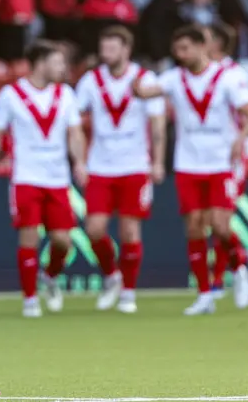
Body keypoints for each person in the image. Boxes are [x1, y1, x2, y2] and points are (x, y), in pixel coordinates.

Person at [133, 25, 248, 315]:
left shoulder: (226, 78)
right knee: (194, 228)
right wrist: (134, 85)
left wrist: (241, 138)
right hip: (188, 163)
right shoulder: (174, 78)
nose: (180, 55)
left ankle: (240, 265)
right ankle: (204, 294)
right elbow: (145, 93)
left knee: (220, 224)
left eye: (186, 48)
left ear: (203, 47)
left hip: (220, 162)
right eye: (177, 49)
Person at [0, 40, 87, 318]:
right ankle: (30, 300)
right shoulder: (11, 94)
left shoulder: (66, 94)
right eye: (58, 62)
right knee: (28, 236)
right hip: (26, 176)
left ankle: (50, 276)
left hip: (57, 177)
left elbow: (75, 132)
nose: (63, 68)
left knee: (62, 241)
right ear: (40, 63)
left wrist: (80, 163)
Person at [75, 25, 166, 313]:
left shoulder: (144, 79)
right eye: (104, 48)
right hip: (100, 166)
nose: (107, 54)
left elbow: (158, 123)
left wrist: (158, 160)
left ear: (126, 49)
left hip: (135, 165)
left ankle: (128, 291)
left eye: (113, 48)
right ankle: (112, 275)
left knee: (130, 232)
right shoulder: (90, 80)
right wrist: (78, 158)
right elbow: (74, 120)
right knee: (94, 229)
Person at [204, 22, 248, 299]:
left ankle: (230, 270)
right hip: (204, 159)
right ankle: (227, 272)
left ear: (218, 44)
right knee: (213, 220)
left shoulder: (234, 74)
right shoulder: (197, 74)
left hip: (231, 158)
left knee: (221, 219)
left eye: (207, 39)